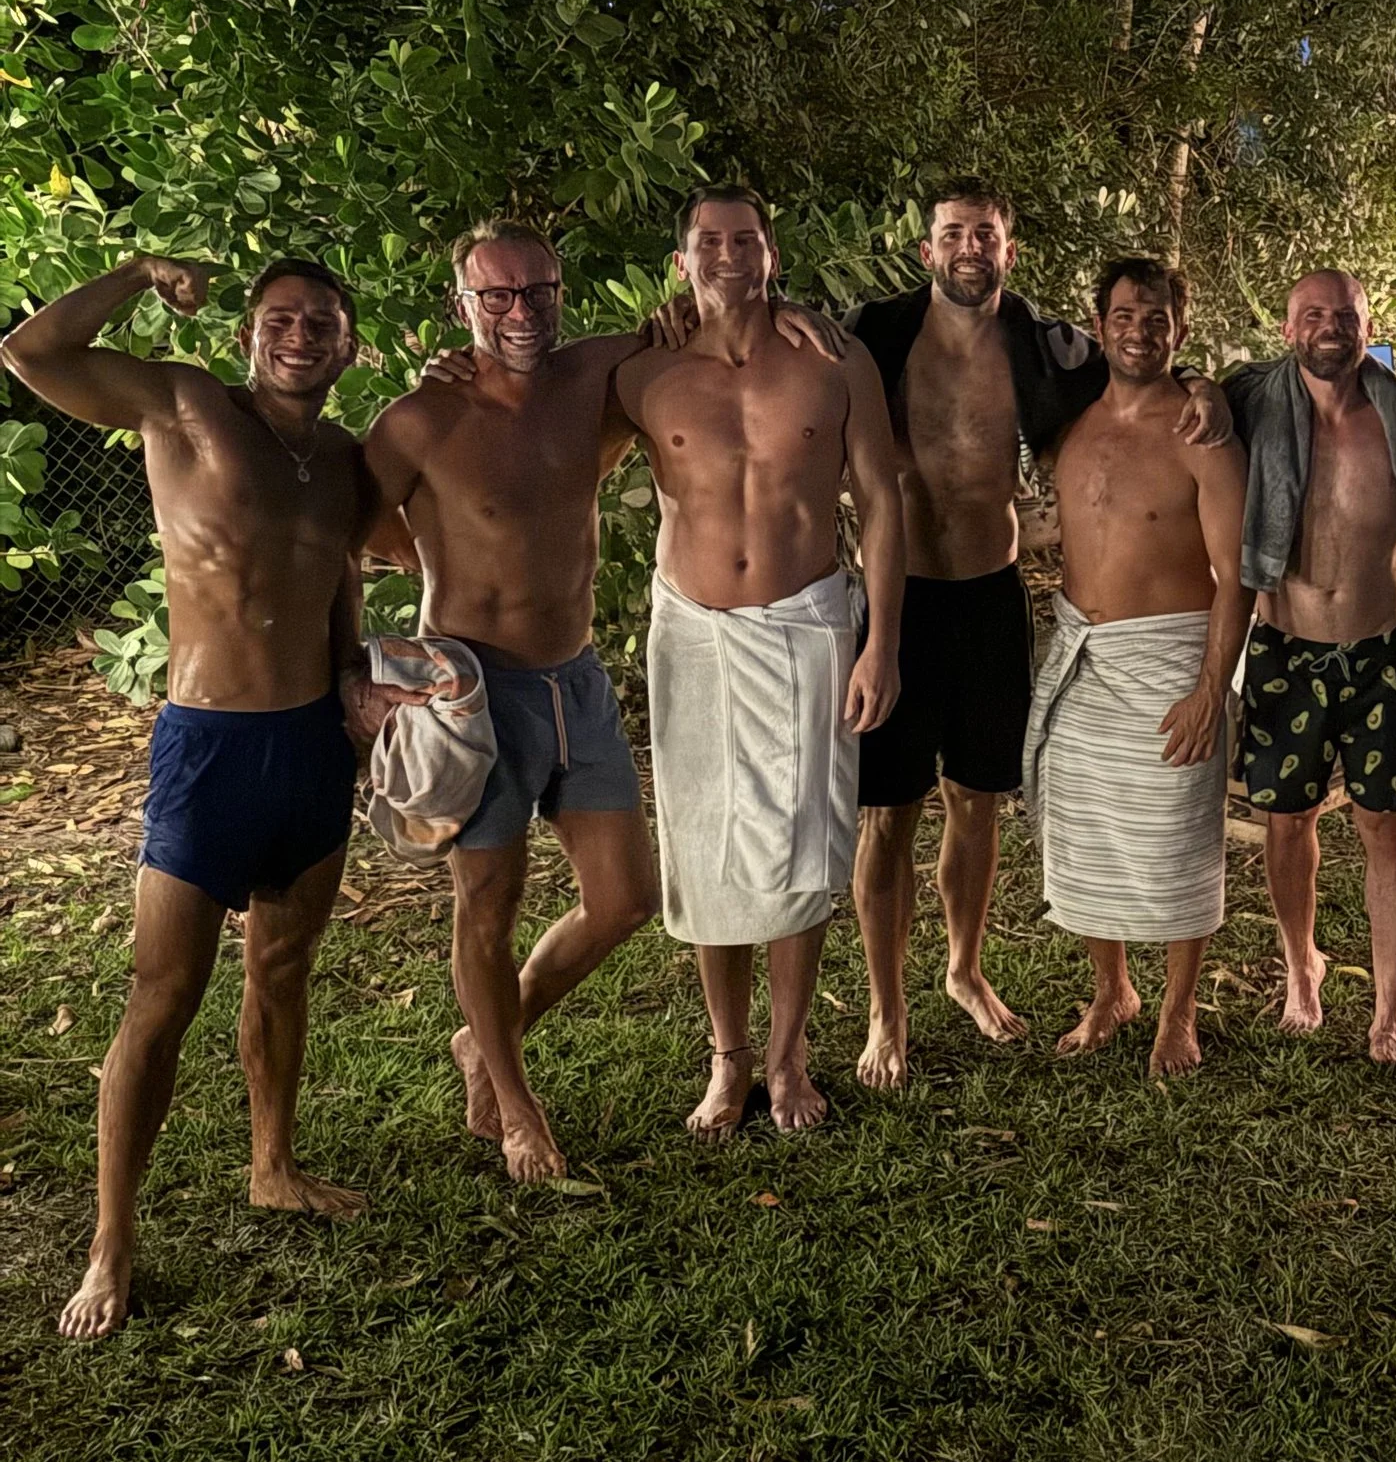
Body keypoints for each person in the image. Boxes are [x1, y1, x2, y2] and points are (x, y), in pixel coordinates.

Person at [361, 222, 837, 1179]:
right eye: (496, 296)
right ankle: (516, 1103)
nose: (520, 312)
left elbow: (716, 326)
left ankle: (483, 1037)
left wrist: (792, 311)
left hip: (574, 679)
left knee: (623, 899)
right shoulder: (420, 418)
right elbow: (355, 531)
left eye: (538, 290)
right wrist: (434, 575)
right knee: (487, 904)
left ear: (561, 290)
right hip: (476, 689)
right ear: (460, 304)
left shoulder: (597, 377)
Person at [3, 255, 412, 1339]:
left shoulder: (342, 458)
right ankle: (110, 1243)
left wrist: (354, 678)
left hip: (311, 745)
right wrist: (139, 273)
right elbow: (31, 352)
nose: (301, 334)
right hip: (210, 747)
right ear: (246, 335)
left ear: (349, 344)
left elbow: (338, 574)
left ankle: (273, 1165)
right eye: (281, 318)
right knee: (163, 995)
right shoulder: (186, 406)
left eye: (322, 321)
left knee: (282, 967)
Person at [847, 181, 1230, 1083]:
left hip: (990, 593)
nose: (969, 248)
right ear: (927, 250)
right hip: (900, 598)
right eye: (953, 233)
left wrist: (1207, 382)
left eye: (985, 234)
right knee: (889, 813)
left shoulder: (1046, 345)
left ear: (1008, 252)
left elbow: (1144, 367)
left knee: (976, 800)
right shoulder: (873, 334)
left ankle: (964, 968)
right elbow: (780, 346)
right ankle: (885, 1011)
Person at [613, 187, 905, 1125]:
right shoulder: (643, 370)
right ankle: (727, 1055)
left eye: (746, 239)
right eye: (709, 241)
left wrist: (882, 643)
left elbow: (882, 499)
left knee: (802, 846)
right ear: (681, 261)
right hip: (694, 631)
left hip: (807, 619)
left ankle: (787, 1056)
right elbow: (537, 432)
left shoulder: (835, 359)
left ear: (773, 254)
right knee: (706, 844)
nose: (728, 254)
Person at [1024, 258, 1252, 1077]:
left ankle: (1178, 1010)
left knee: (1180, 835)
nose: (1139, 332)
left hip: (1172, 654)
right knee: (1085, 829)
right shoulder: (1070, 422)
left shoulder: (1202, 432)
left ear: (1180, 330)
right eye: (1124, 316)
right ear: (1099, 325)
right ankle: (1112, 990)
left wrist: (1211, 688)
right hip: (1084, 652)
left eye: (1157, 319)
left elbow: (1238, 573)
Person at [1224, 268, 1396, 1065]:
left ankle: (1390, 1009)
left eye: (1346, 315)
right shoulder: (1248, 406)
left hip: (1379, 650)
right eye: (1314, 314)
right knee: (1286, 821)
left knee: (1387, 827)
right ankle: (1302, 967)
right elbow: (1175, 397)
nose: (1331, 326)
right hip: (1284, 645)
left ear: (1368, 326)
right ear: (1288, 328)